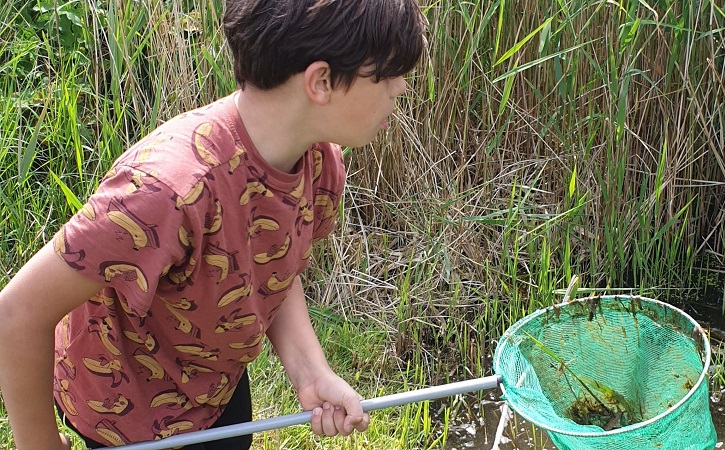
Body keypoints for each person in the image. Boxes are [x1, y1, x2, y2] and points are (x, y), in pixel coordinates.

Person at [0, 0, 427, 448]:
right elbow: (17, 313)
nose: (400, 87)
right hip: (126, 416)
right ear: (320, 81)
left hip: (215, 388)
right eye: (386, 74)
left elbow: (273, 267)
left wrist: (310, 372)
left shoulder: (320, 163)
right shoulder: (167, 191)